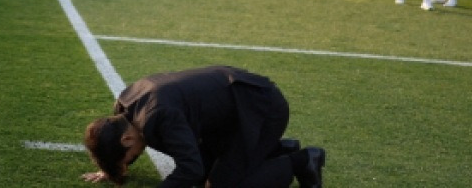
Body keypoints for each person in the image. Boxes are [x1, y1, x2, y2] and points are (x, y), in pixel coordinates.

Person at [82, 65, 325, 188]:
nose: (132, 159)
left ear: (126, 140)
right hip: (232, 113)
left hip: (262, 111)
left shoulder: (159, 116)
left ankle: (302, 160)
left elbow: (191, 169)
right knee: (210, 169)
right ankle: (278, 149)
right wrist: (110, 166)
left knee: (219, 184)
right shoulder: (125, 106)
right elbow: (115, 141)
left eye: (128, 158)